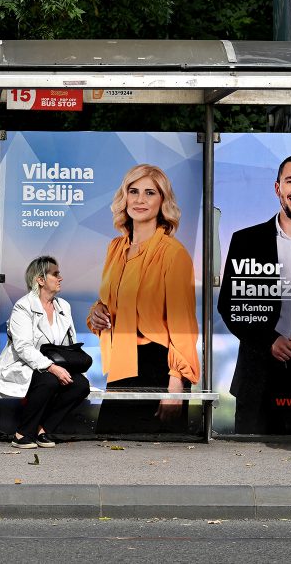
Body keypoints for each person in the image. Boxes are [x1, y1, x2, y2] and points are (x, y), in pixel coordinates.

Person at [217, 154, 291, 435]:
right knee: (249, 466)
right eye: (290, 181)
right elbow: (229, 304)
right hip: (259, 378)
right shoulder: (246, 240)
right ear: (277, 188)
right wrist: (269, 340)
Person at [87, 164, 200, 433]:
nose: (140, 200)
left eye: (150, 192)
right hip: (121, 363)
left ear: (163, 201)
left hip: (160, 367)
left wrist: (176, 387)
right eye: (133, 191)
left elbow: (183, 325)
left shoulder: (174, 254)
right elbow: (110, 300)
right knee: (109, 449)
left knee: (157, 459)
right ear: (123, 197)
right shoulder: (115, 248)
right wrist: (97, 313)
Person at [0, 256, 90, 448]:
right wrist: (52, 367)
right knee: (49, 380)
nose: (60, 278)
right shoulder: (23, 306)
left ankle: (43, 430)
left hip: (54, 364)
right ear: (40, 280)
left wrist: (60, 366)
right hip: (26, 364)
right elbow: (23, 347)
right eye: (55, 274)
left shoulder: (64, 306)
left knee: (80, 384)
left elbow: (66, 344)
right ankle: (21, 434)